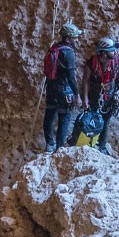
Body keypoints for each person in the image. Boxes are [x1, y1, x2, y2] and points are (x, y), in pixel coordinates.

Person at [81, 36, 119, 152]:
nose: (115, 52)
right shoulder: (92, 63)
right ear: (104, 53)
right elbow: (85, 81)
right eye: (112, 50)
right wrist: (85, 99)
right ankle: (89, 145)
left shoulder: (117, 63)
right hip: (93, 98)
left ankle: (101, 146)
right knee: (91, 123)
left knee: (105, 123)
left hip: (109, 99)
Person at [43, 23, 81, 151]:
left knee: (49, 115)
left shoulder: (54, 48)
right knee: (64, 118)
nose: (77, 40)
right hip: (64, 90)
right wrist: (77, 94)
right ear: (68, 38)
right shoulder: (68, 53)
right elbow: (71, 77)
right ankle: (59, 149)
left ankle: (49, 144)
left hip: (51, 87)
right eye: (75, 38)